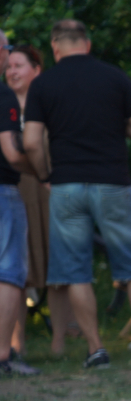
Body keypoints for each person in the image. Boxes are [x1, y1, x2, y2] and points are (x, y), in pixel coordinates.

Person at [22, 19, 131, 368]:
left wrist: (44, 174)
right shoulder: (112, 76)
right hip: (112, 181)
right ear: (88, 42)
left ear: (55, 47)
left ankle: (95, 349)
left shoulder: (44, 84)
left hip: (66, 184)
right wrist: (115, 125)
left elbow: (32, 141)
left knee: (76, 272)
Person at [5, 42, 61, 364]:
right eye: (8, 65)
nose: (12, 71)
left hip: (48, 189)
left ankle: (58, 343)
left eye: (19, 65)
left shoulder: (49, 100)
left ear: (36, 70)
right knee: (15, 270)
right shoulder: (4, 103)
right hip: (14, 189)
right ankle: (16, 343)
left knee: (55, 265)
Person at [0, 32, 40, 376]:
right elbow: (12, 152)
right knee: (10, 273)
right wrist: (39, 171)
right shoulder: (4, 96)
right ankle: (3, 356)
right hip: (3, 191)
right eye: (6, 52)